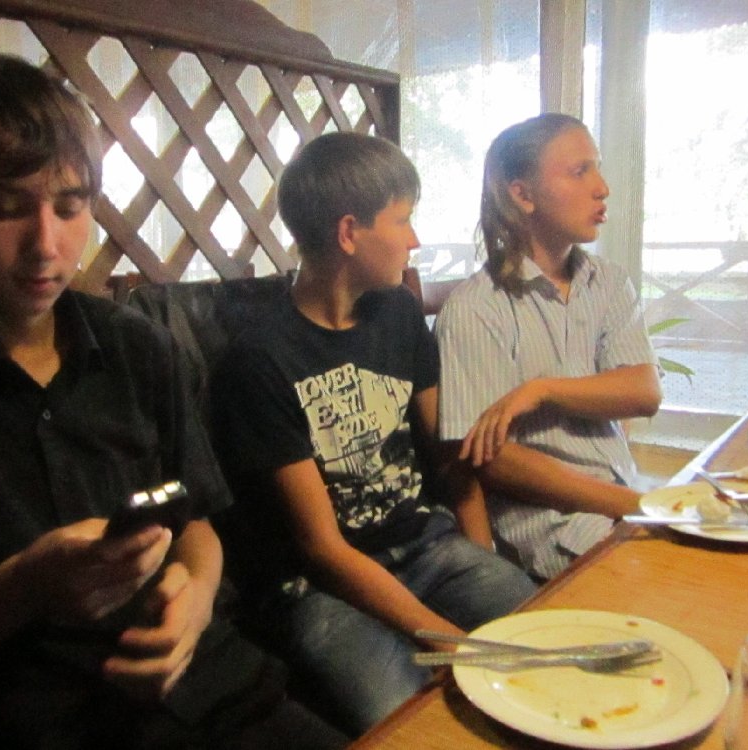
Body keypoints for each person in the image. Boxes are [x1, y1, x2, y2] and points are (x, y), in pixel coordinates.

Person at [0, 54, 347, 749]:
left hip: (210, 690)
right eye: (5, 208)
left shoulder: (139, 348)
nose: (46, 245)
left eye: (70, 207)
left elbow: (197, 521)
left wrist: (193, 603)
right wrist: (20, 589)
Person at [210, 131, 537, 736]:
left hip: (425, 548)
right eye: (403, 220)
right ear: (348, 232)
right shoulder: (259, 362)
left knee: (542, 633)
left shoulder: (398, 313)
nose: (415, 240)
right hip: (315, 589)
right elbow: (322, 550)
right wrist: (450, 641)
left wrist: (482, 556)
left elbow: (449, 454)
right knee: (409, 719)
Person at [435, 113, 662, 583]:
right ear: (523, 195)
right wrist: (639, 506)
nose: (602, 188)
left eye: (597, 168)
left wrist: (542, 390)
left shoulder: (608, 282)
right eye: (580, 172)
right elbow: (490, 460)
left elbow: (643, 392)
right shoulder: (477, 308)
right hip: (556, 529)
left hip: (622, 500)